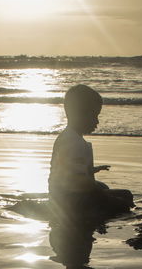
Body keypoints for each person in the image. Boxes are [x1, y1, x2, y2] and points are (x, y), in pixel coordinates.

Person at [48, 84, 133, 218]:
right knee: (125, 197)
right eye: (94, 115)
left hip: (63, 191)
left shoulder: (70, 137)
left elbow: (69, 169)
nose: (97, 121)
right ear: (80, 114)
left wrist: (92, 170)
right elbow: (80, 182)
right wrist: (108, 198)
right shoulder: (74, 142)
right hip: (72, 198)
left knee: (103, 187)